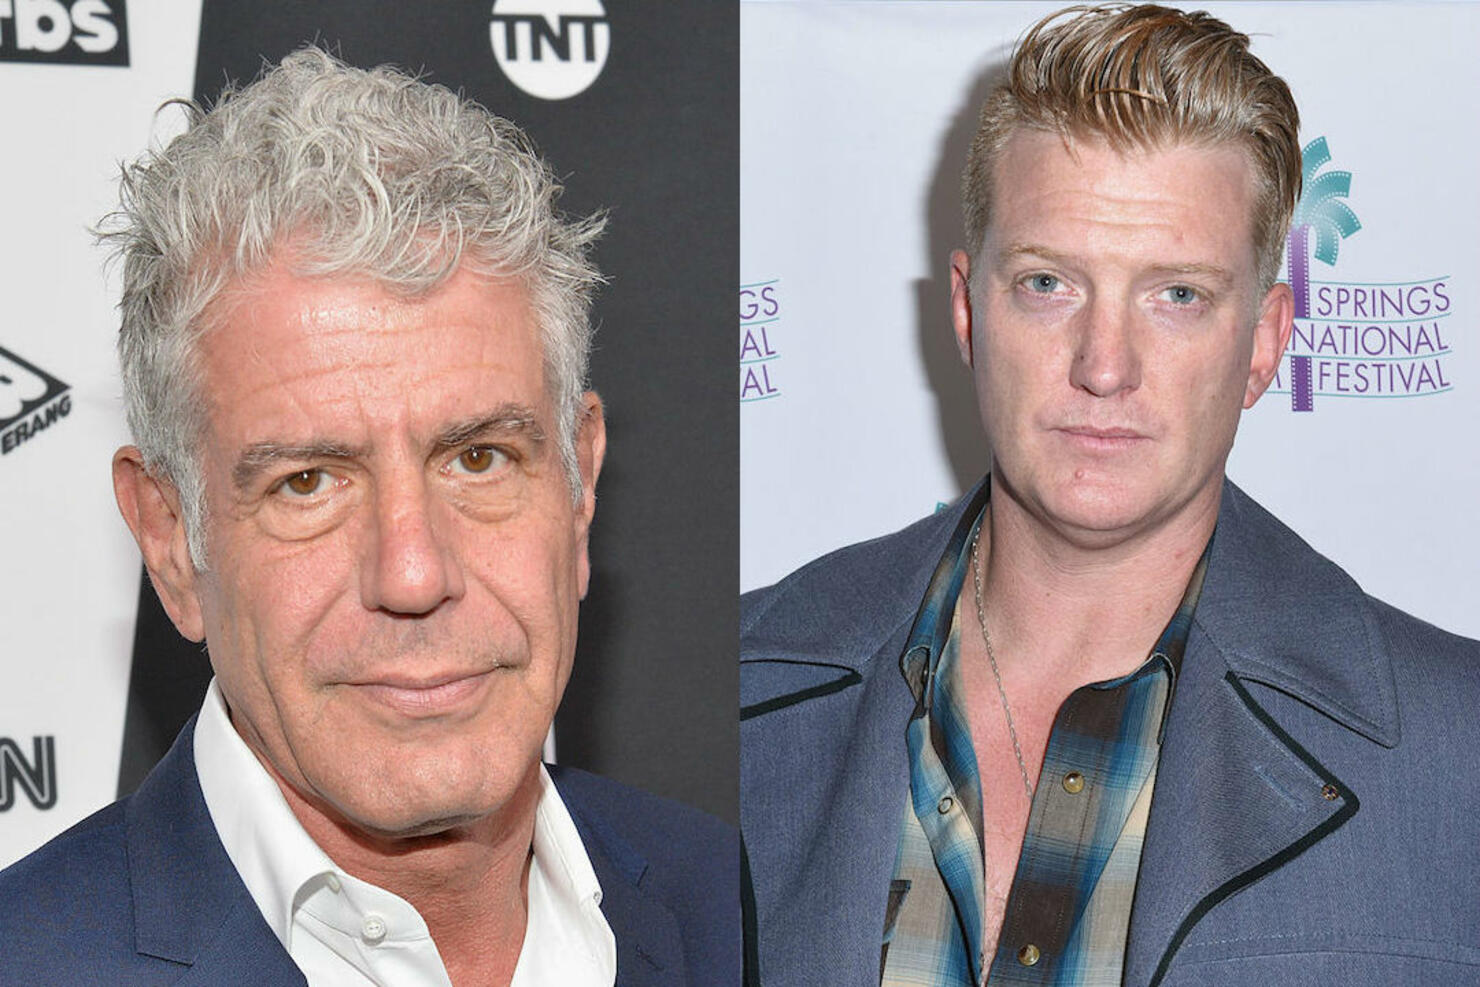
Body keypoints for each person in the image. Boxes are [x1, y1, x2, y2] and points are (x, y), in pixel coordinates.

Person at [740, 6, 1480, 986]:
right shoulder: (745, 686)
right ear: (967, 309)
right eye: (1048, 283)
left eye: (1177, 295)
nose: (1103, 366)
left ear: (1264, 342)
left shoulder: (1456, 750)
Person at [0, 47, 737, 987]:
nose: (414, 573)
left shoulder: (737, 902)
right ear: (171, 541)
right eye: (309, 481)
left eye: (479, 458)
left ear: (579, 486)